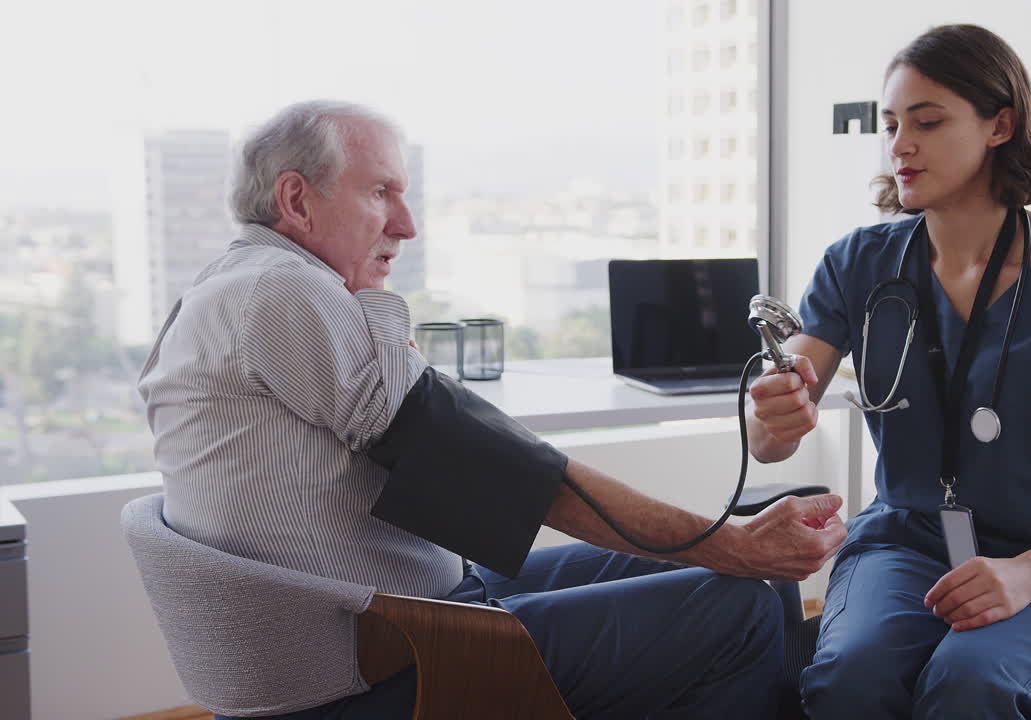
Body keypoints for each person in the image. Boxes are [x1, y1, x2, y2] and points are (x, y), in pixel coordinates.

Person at [137, 99, 847, 719]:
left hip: (407, 615)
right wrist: (733, 542)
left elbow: (471, 454)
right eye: (382, 192)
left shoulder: (238, 288)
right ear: (296, 201)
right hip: (392, 659)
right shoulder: (283, 292)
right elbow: (491, 466)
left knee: (755, 583)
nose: (408, 225)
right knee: (745, 601)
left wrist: (738, 548)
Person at [747, 24, 1031, 719]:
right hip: (908, 541)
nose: (899, 144)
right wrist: (769, 416)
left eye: (926, 122)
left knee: (972, 682)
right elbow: (776, 428)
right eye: (891, 124)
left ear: (1001, 126)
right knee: (850, 681)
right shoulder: (858, 263)